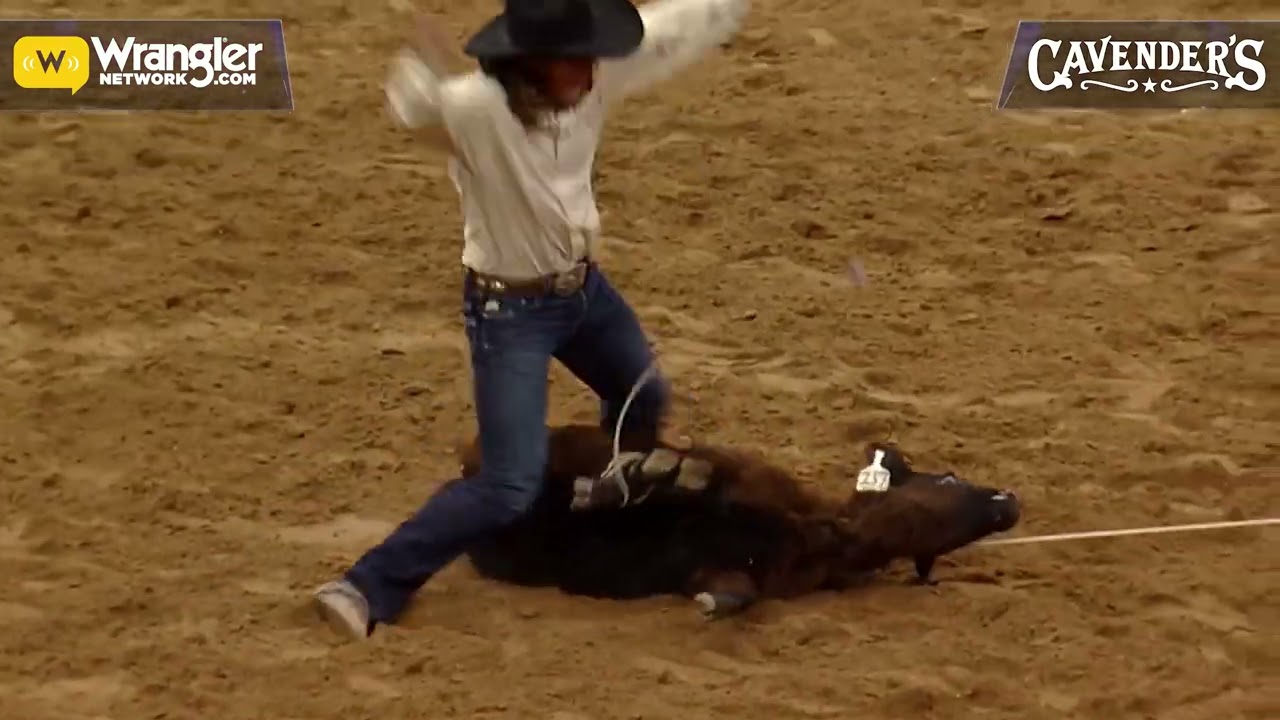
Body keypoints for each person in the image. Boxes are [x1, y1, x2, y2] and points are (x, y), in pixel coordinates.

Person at [313, 0, 751, 641]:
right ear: (532, 64)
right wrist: (422, 85)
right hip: (509, 312)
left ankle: (609, 503)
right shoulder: (475, 108)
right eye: (575, 59)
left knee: (642, 394)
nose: (591, 71)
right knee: (507, 484)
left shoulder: (591, 77)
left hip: (583, 292)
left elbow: (673, 32)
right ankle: (364, 585)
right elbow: (413, 110)